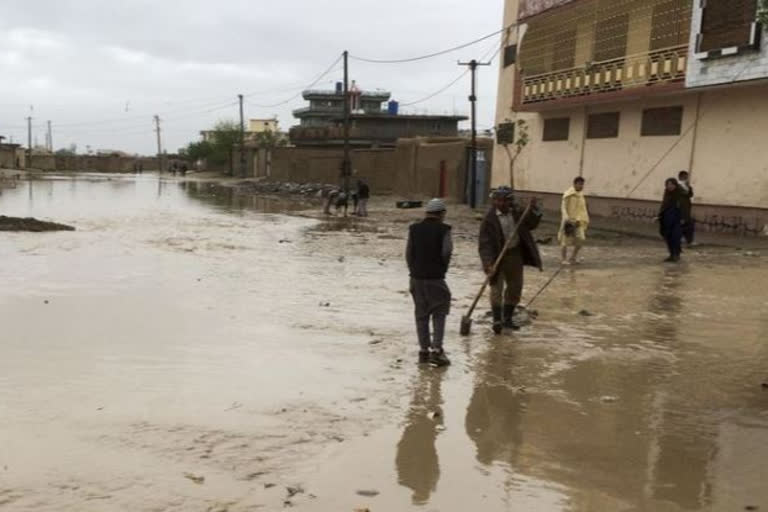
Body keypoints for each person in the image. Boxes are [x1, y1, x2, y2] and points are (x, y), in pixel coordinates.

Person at [479, 187, 543, 334]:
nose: (499, 203)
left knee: (515, 287)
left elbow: (532, 224)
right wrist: (488, 263)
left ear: (509, 201)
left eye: (502, 200)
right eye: (496, 200)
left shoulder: (517, 212)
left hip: (515, 254)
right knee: (496, 288)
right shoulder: (489, 219)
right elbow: (485, 244)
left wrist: (532, 208)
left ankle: (507, 319)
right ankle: (496, 320)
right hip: (497, 257)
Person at [406, 199, 453, 367]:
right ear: (441, 214)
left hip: (416, 278)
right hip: (435, 278)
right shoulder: (444, 230)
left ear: (427, 213)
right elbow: (446, 252)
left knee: (421, 314)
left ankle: (423, 352)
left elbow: (409, 253)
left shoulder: (414, 229)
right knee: (439, 312)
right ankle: (437, 351)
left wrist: (414, 270)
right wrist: (441, 269)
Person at [558, 177, 590, 265]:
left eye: (582, 184)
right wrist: (567, 219)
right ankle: (563, 259)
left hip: (578, 221)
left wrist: (580, 219)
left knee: (581, 239)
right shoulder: (568, 195)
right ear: (575, 184)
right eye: (579, 184)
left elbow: (582, 209)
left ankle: (573, 257)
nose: (581, 186)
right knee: (565, 241)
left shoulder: (580, 195)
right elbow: (563, 208)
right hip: (568, 222)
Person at [658, 178, 683, 263]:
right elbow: (663, 206)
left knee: (675, 237)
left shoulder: (679, 194)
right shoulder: (667, 194)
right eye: (667, 184)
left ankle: (676, 254)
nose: (669, 186)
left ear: (675, 185)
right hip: (667, 219)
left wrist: (683, 218)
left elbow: (684, 208)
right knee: (668, 237)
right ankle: (672, 254)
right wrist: (659, 216)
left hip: (676, 219)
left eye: (671, 184)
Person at [678, 170, 695, 247]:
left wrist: (688, 187)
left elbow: (690, 194)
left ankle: (689, 241)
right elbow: (683, 194)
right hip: (680, 207)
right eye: (685, 177)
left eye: (687, 177)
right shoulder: (677, 186)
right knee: (682, 223)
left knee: (688, 224)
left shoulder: (688, 186)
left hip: (686, 207)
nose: (686, 178)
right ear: (681, 177)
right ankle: (684, 240)